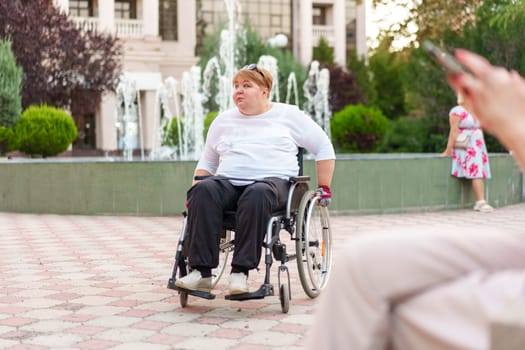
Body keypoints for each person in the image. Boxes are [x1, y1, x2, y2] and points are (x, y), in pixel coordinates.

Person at [306, 49, 525, 350]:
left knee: (407, 314)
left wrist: (514, 123)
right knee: (363, 263)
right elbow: (455, 135)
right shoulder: (459, 113)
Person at [175, 64, 336, 295]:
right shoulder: (223, 121)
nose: (238, 91)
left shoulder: (289, 116)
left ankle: (240, 273)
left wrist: (324, 187)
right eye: (236, 86)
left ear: (264, 91)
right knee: (203, 191)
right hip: (229, 184)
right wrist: (194, 198)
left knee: (256, 193)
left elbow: (323, 147)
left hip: (273, 186)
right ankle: (201, 273)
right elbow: (208, 163)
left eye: (246, 86)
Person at [441, 92, 493, 212]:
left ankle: (480, 202)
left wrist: (482, 148)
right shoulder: (457, 111)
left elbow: (480, 129)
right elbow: (453, 131)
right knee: (476, 171)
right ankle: (481, 202)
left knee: (479, 170)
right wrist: (448, 150)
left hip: (477, 145)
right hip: (466, 145)